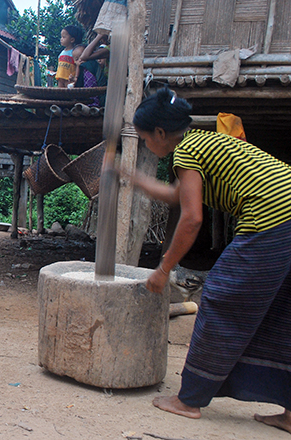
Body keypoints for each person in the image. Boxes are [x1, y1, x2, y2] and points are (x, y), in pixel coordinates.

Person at [127, 87, 291, 433]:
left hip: (273, 218)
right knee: (280, 310)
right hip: (287, 212)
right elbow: (175, 195)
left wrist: (163, 268)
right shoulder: (202, 142)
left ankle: (189, 400)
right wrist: (134, 179)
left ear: (160, 133)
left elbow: (191, 219)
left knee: (220, 297)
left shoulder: (185, 152)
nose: (146, 146)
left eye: (144, 139)